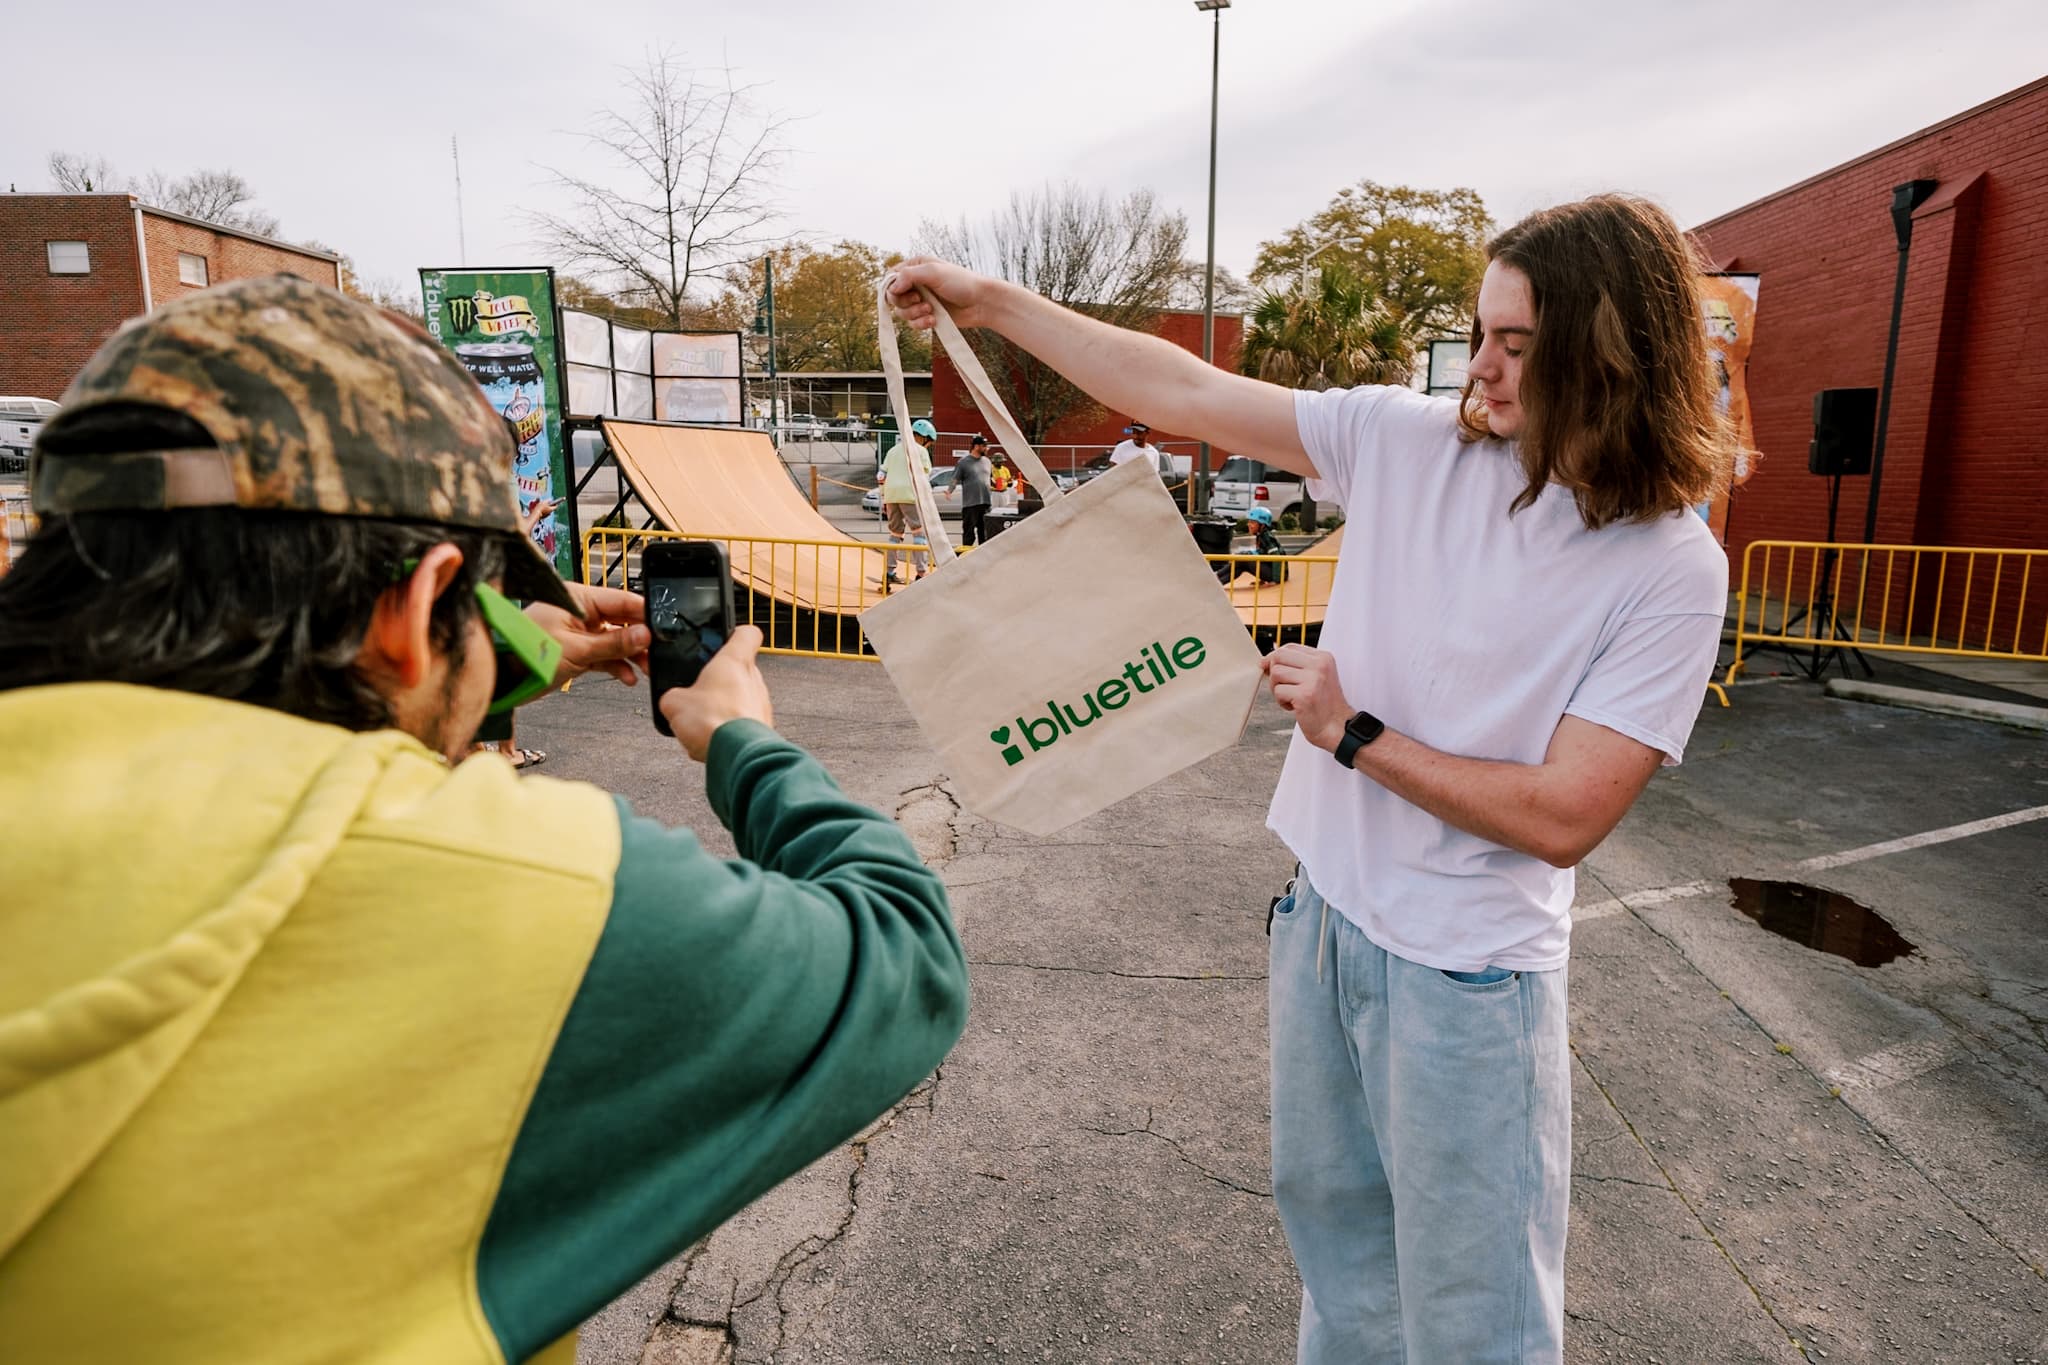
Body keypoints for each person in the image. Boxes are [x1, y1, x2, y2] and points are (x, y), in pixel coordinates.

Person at [0, 276, 969, 1364]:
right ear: (417, 612)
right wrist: (742, 740)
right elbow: (903, 953)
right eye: (476, 609)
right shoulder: (500, 887)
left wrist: (512, 649)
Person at [889, 193, 1729, 1364]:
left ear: (1609, 357)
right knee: (1343, 1282)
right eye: (1478, 331)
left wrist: (1352, 735)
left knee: (1473, 1318)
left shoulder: (1668, 567)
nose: (1475, 370)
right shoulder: (1409, 444)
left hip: (1468, 975)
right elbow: (1177, 388)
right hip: (1321, 922)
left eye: (1515, 346)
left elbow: (1565, 813)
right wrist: (991, 305)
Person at [878, 416, 938, 583]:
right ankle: (921, 572)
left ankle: (889, 572)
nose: (929, 445)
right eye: (929, 442)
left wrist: (884, 497)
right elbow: (925, 475)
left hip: (891, 495)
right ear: (923, 437)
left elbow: (881, 475)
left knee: (895, 533)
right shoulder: (921, 451)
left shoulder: (893, 450)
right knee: (919, 533)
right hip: (910, 495)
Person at [951, 433, 994, 546]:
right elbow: (955, 479)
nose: (986, 448)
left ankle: (984, 558)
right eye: (984, 446)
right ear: (976, 446)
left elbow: (989, 479)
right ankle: (966, 557)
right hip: (971, 504)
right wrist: (949, 490)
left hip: (985, 503)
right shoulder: (963, 462)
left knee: (984, 533)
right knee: (969, 533)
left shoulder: (987, 461)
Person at [1246, 505, 1286, 585]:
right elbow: (1263, 556)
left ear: (1262, 525)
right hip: (1271, 572)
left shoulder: (1267, 537)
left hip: (1278, 575)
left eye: (1253, 522)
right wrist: (1262, 580)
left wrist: (1276, 580)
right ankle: (1218, 579)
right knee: (1242, 560)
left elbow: (1276, 558)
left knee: (1243, 559)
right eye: (1249, 522)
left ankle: (1218, 578)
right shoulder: (1260, 536)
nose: (1249, 525)